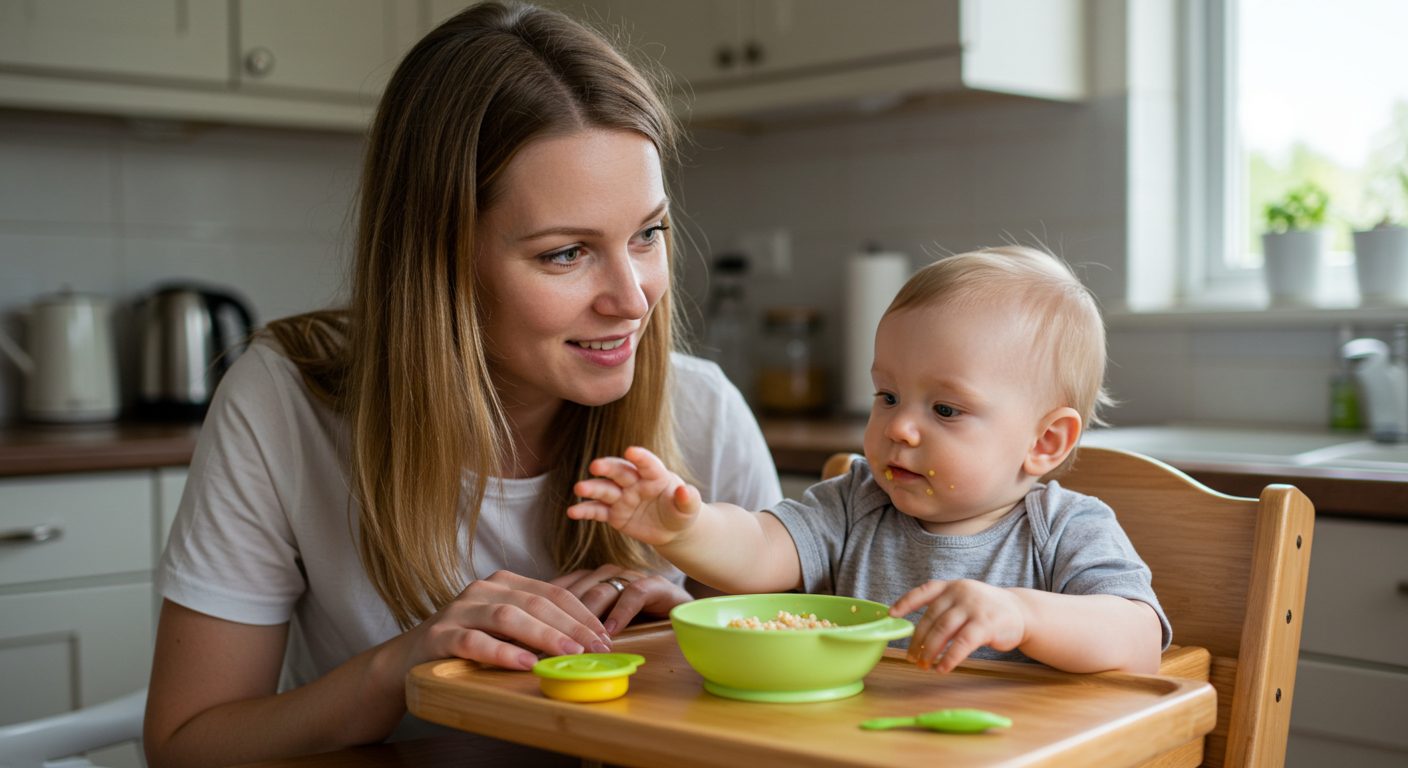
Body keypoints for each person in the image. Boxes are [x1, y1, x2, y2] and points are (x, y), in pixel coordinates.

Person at [143, 3, 782, 766]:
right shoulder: (285, 405)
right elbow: (185, 746)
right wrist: (401, 666)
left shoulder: (702, 412)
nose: (634, 297)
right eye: (565, 254)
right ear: (439, 261)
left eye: (648, 234)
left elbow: (783, 736)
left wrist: (688, 654)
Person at [571, 246, 1170, 676]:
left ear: (1045, 442)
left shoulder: (1066, 529)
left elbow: (1137, 637)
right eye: (887, 396)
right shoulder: (856, 502)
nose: (899, 427)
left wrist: (1023, 614)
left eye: (945, 408)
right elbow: (758, 549)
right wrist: (687, 527)